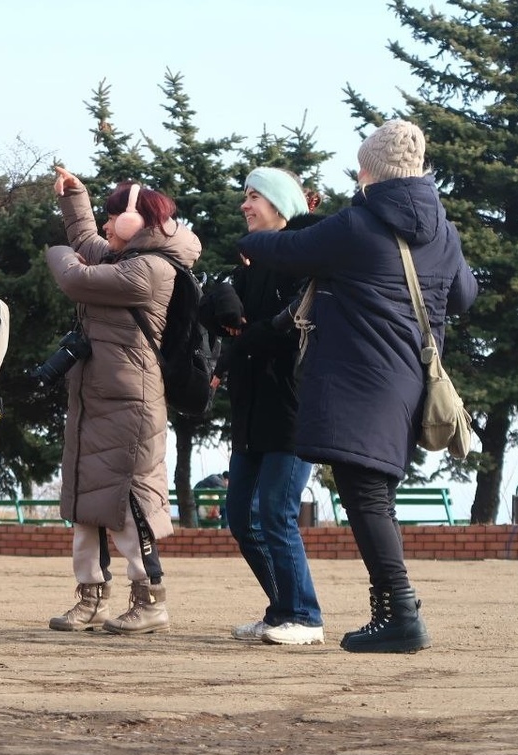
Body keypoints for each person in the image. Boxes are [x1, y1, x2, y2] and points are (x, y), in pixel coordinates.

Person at [237, 120, 478, 653]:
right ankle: (390, 614)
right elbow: (462, 297)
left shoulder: (357, 224)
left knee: (366, 498)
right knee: (377, 497)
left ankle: (402, 614)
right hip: (409, 379)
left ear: (368, 171)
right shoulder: (442, 229)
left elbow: (287, 250)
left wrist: (247, 240)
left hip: (357, 377)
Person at [45, 165, 202, 635]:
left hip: (132, 403)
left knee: (130, 503)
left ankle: (150, 599)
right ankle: (90, 597)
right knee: (85, 499)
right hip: (98, 396)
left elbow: (75, 276)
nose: (108, 225)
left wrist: (57, 251)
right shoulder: (124, 257)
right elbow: (90, 243)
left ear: (139, 222)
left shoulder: (150, 270)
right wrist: (75, 198)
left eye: (115, 217)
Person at [201, 167, 327, 646]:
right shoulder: (249, 260)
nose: (244, 205)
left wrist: (247, 333)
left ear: (279, 203)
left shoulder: (304, 256)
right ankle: (281, 610)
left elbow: (286, 326)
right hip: (251, 409)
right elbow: (222, 315)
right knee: (240, 516)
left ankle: (306, 617)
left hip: (294, 406)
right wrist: (224, 299)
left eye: (253, 196)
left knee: (275, 511)